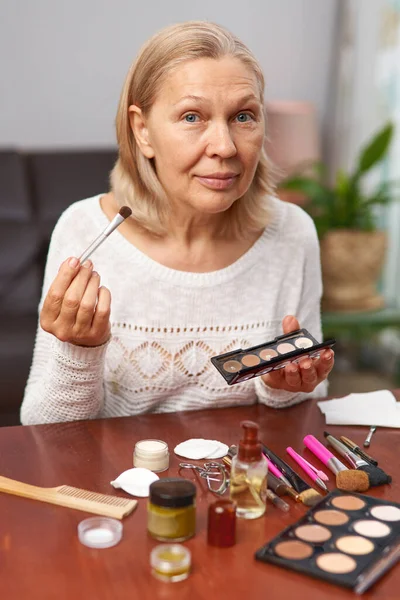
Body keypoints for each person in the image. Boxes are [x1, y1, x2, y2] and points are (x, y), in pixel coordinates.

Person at [20, 21, 334, 425]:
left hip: (243, 481)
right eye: (191, 117)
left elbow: (310, 399)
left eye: (243, 116)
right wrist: (78, 352)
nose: (224, 147)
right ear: (142, 130)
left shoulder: (293, 232)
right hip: (121, 483)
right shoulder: (84, 231)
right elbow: (42, 428)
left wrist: (281, 384)